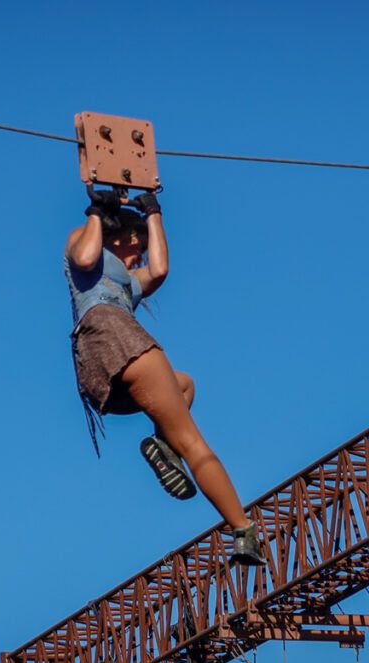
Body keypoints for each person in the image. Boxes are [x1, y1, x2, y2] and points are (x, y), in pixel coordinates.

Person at [63, 186, 264, 566]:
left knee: (184, 383)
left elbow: (159, 269)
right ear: (121, 238)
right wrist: (95, 213)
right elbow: (87, 255)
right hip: (119, 340)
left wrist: (154, 213)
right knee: (193, 441)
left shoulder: (125, 282)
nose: (139, 254)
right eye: (135, 244)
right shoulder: (82, 242)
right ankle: (242, 530)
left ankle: (163, 447)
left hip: (97, 368)